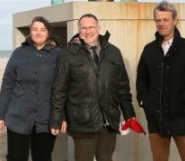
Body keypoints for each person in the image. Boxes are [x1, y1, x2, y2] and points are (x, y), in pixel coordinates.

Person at [49, 13, 136, 161]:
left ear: (99, 29)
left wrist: (129, 114)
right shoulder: (67, 54)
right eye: (83, 28)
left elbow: (122, 87)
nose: (88, 31)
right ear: (79, 30)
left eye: (91, 27)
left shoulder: (114, 52)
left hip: (109, 120)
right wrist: (57, 119)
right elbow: (59, 90)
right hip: (82, 121)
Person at [136, 1, 185, 161]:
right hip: (156, 116)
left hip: (181, 115)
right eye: (158, 20)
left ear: (175, 21)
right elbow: (142, 78)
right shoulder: (149, 49)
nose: (161, 24)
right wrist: (144, 101)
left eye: (165, 20)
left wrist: (184, 99)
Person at [0, 16, 66, 161]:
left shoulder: (59, 55)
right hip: (18, 116)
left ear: (48, 33)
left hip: (46, 118)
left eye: (42, 29)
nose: (38, 33)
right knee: (16, 157)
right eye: (34, 29)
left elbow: (63, 88)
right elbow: (7, 85)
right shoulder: (18, 53)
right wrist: (0, 115)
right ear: (29, 32)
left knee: (43, 157)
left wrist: (62, 117)